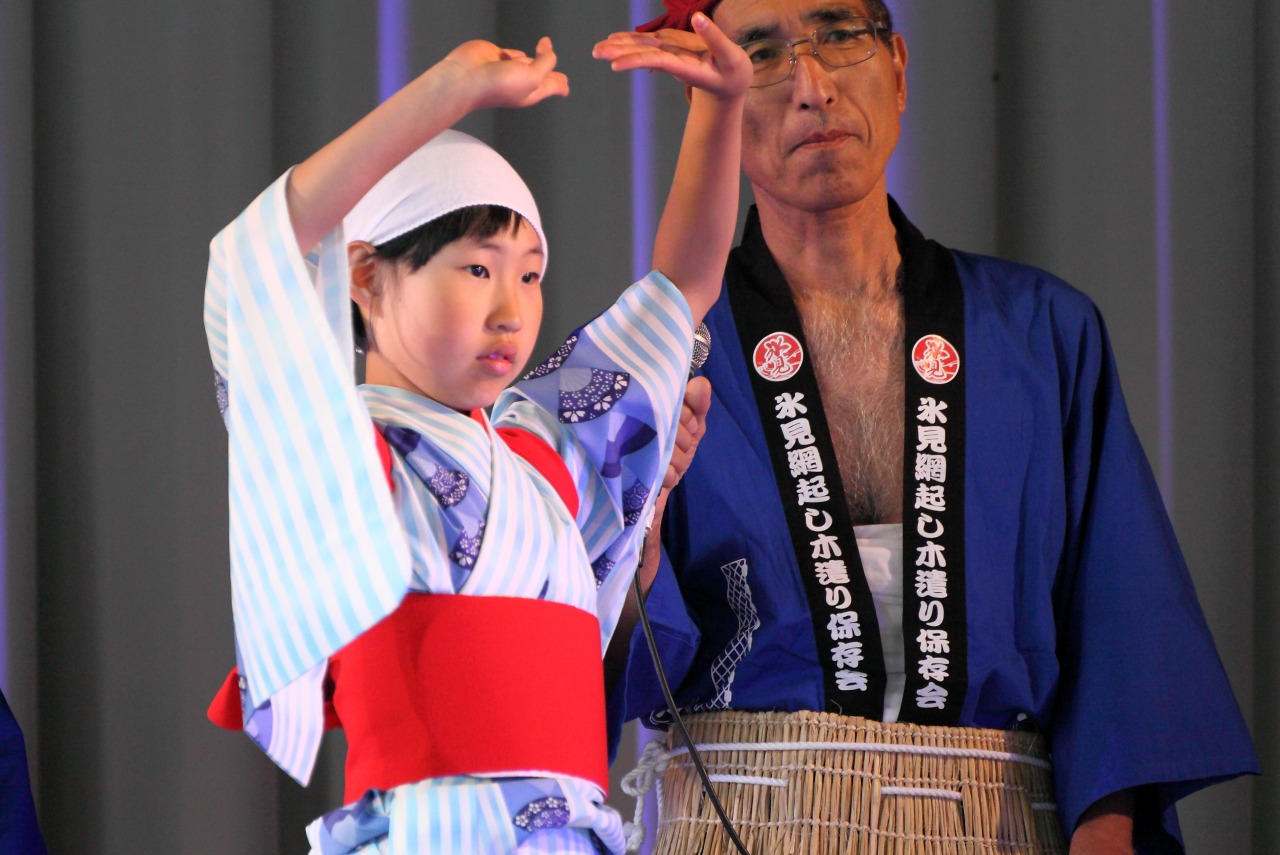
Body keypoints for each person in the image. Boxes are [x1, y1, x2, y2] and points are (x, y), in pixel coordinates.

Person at [600, 1, 1259, 853]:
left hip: (998, 818)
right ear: (713, 100)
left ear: (901, 68)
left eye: (838, 34)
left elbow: (1125, 627)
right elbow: (596, 649)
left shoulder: (1043, 333)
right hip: (742, 816)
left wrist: (1108, 833)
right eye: (760, 54)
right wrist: (624, 555)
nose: (812, 87)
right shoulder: (663, 355)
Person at [203, 21, 751, 854]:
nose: (511, 308)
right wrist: (439, 98)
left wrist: (722, 106)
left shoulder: (544, 451)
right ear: (362, 274)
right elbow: (260, 261)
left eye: (529, 275)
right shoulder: (341, 446)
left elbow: (683, 287)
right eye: (476, 267)